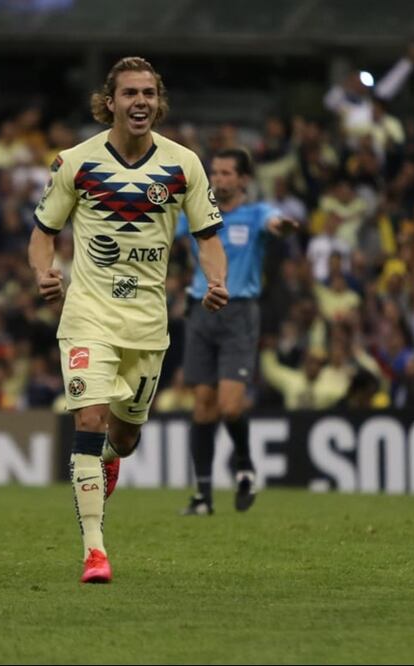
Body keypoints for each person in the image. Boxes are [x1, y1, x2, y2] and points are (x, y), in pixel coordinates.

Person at [28, 56, 228, 584]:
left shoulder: (183, 164)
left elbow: (207, 237)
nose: (140, 102)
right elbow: (44, 230)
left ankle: (112, 457)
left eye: (149, 94)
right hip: (88, 315)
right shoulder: (75, 161)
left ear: (158, 102)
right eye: (130, 93)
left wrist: (217, 281)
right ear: (109, 102)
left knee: (126, 437)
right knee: (88, 422)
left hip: (146, 325)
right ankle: (95, 551)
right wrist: (44, 272)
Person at [175, 147, 297, 516]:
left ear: (244, 179)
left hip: (239, 313)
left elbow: (275, 222)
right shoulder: (199, 212)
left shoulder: (256, 214)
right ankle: (202, 497)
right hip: (200, 311)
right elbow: (165, 232)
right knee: (202, 406)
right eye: (215, 172)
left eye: (227, 173)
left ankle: (244, 467)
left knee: (229, 405)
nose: (219, 179)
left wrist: (284, 226)